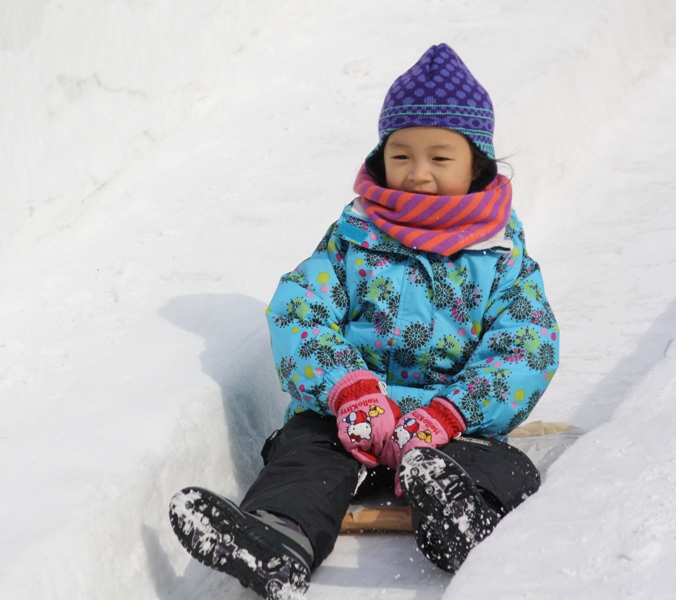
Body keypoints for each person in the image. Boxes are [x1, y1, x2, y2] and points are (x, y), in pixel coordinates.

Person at [169, 43, 559, 599]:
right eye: (401, 155)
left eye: (440, 158)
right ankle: (277, 542)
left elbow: (527, 347)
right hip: (352, 417)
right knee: (303, 453)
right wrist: (349, 391)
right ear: (381, 156)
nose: (418, 173)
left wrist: (451, 414)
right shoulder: (353, 238)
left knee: (500, 465)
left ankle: (457, 516)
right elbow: (301, 310)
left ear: (478, 164)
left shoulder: (499, 256)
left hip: (448, 426)